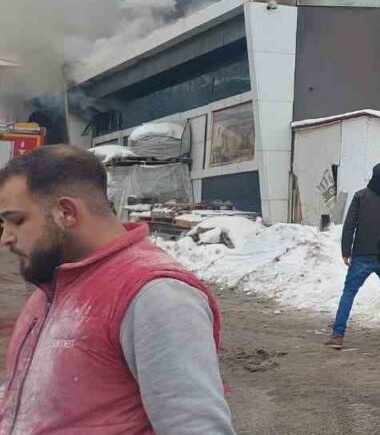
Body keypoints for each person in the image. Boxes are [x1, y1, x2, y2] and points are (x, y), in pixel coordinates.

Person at [0, 145, 235, 434]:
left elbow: (196, 428)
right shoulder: (54, 283)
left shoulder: (155, 295)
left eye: (17, 221)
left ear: (66, 212)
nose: (5, 238)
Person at [325, 162, 380, 348]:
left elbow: (349, 225)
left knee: (349, 293)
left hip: (362, 254)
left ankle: (338, 335)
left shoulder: (360, 196)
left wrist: (346, 251)